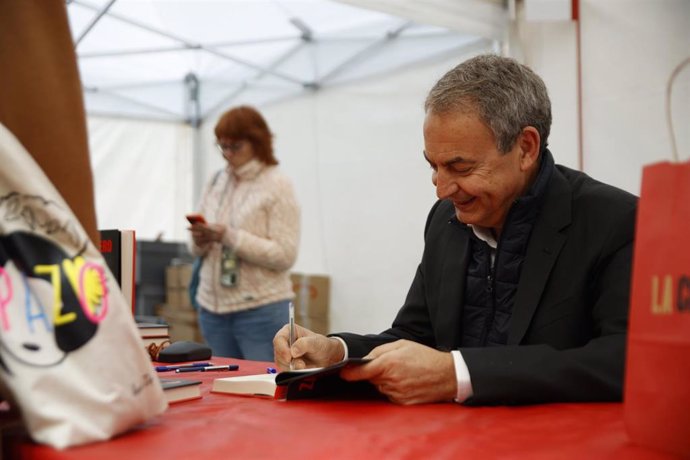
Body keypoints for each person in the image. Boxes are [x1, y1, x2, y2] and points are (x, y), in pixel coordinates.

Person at [274, 54, 637, 406]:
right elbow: (414, 337)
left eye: (460, 168)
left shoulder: (614, 222)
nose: (442, 189)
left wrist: (458, 374)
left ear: (525, 148)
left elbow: (624, 360)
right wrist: (337, 352)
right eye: (433, 166)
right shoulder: (446, 221)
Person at [188, 106, 300, 361]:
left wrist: (229, 236)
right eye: (221, 146)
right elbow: (194, 251)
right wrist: (200, 239)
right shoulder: (217, 180)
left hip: (261, 310)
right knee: (224, 392)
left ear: (257, 143)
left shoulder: (277, 184)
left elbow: (285, 254)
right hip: (211, 309)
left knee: (265, 390)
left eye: (235, 146)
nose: (227, 154)